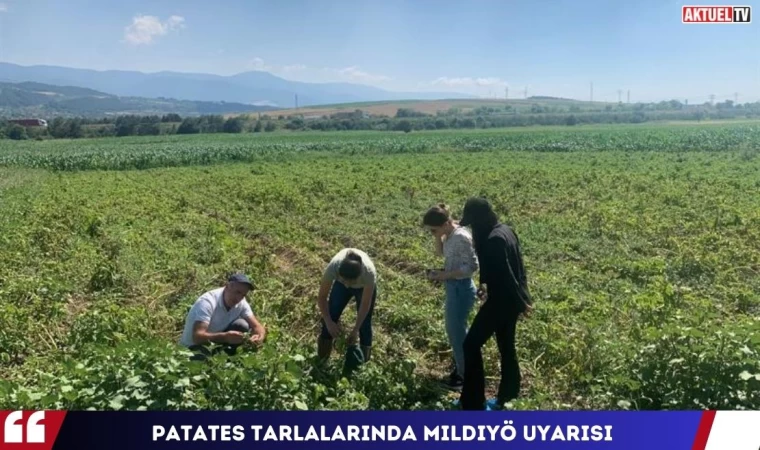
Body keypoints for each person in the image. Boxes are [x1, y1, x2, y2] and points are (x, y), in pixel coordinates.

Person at [457, 197, 532, 410]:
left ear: (481, 218)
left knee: (470, 344)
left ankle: (472, 402)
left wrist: (522, 302)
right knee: (506, 347)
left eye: (473, 221)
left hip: (503, 302)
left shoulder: (494, 240)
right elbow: (511, 268)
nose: (472, 226)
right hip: (507, 301)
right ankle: (508, 398)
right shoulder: (505, 230)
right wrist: (484, 284)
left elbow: (509, 275)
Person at [422, 203, 479, 390]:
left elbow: (471, 267)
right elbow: (439, 254)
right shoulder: (449, 233)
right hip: (453, 287)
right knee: (456, 331)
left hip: (461, 289)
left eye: (433, 230)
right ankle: (462, 368)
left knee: (457, 333)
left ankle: (464, 377)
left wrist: (443, 275)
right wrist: (439, 236)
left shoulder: (461, 237)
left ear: (446, 223)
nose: (432, 233)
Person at [179, 273, 266, 360]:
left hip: (216, 343)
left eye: (243, 295)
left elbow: (257, 326)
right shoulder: (208, 302)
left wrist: (259, 336)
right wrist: (225, 337)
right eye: (237, 292)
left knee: (241, 325)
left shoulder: (241, 302)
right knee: (201, 358)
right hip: (192, 348)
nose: (239, 298)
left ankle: (230, 361)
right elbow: (197, 337)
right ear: (227, 286)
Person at [317, 248, 377, 363]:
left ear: (359, 275)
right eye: (345, 281)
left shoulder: (369, 273)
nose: (348, 285)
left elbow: (365, 305)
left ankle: (363, 363)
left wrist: (355, 330)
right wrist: (329, 323)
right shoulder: (333, 267)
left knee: (365, 324)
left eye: (351, 282)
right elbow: (322, 297)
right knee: (331, 313)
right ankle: (322, 360)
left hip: (362, 287)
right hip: (340, 284)